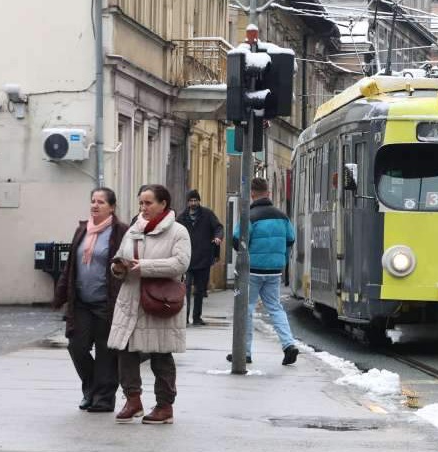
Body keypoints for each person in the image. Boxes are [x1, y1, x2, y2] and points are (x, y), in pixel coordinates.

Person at [108, 184, 191, 424]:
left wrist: (143, 267)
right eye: (141, 203)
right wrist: (118, 268)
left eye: (148, 203)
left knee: (161, 354)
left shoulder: (178, 231)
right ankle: (133, 400)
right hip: (130, 300)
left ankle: (165, 406)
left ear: (163, 204)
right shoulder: (135, 228)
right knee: (125, 351)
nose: (143, 208)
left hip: (159, 302)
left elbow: (180, 264)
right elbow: (122, 257)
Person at [52, 187, 129, 413]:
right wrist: (61, 293)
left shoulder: (120, 231)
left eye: (101, 202)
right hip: (81, 302)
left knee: (106, 353)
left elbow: (126, 264)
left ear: (112, 207)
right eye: (93, 201)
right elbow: (71, 266)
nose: (95, 205)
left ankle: (103, 399)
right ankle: (90, 389)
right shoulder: (83, 229)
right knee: (77, 346)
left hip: (107, 302)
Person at [230, 177, 299, 365]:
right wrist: (281, 259)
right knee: (275, 308)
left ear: (251, 193)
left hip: (252, 270)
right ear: (268, 193)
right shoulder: (282, 216)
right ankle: (289, 345)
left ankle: (244, 352)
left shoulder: (249, 216)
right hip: (274, 270)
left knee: (247, 308)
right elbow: (290, 239)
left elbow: (237, 239)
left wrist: (245, 255)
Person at [177, 189, 224, 325]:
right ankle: (184, 317)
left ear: (199, 201)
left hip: (203, 259)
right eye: (191, 201)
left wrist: (218, 237)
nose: (193, 203)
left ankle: (197, 318)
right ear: (187, 202)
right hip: (187, 260)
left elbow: (218, 227)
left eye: (195, 200)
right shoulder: (181, 218)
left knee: (199, 290)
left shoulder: (208, 215)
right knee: (185, 289)